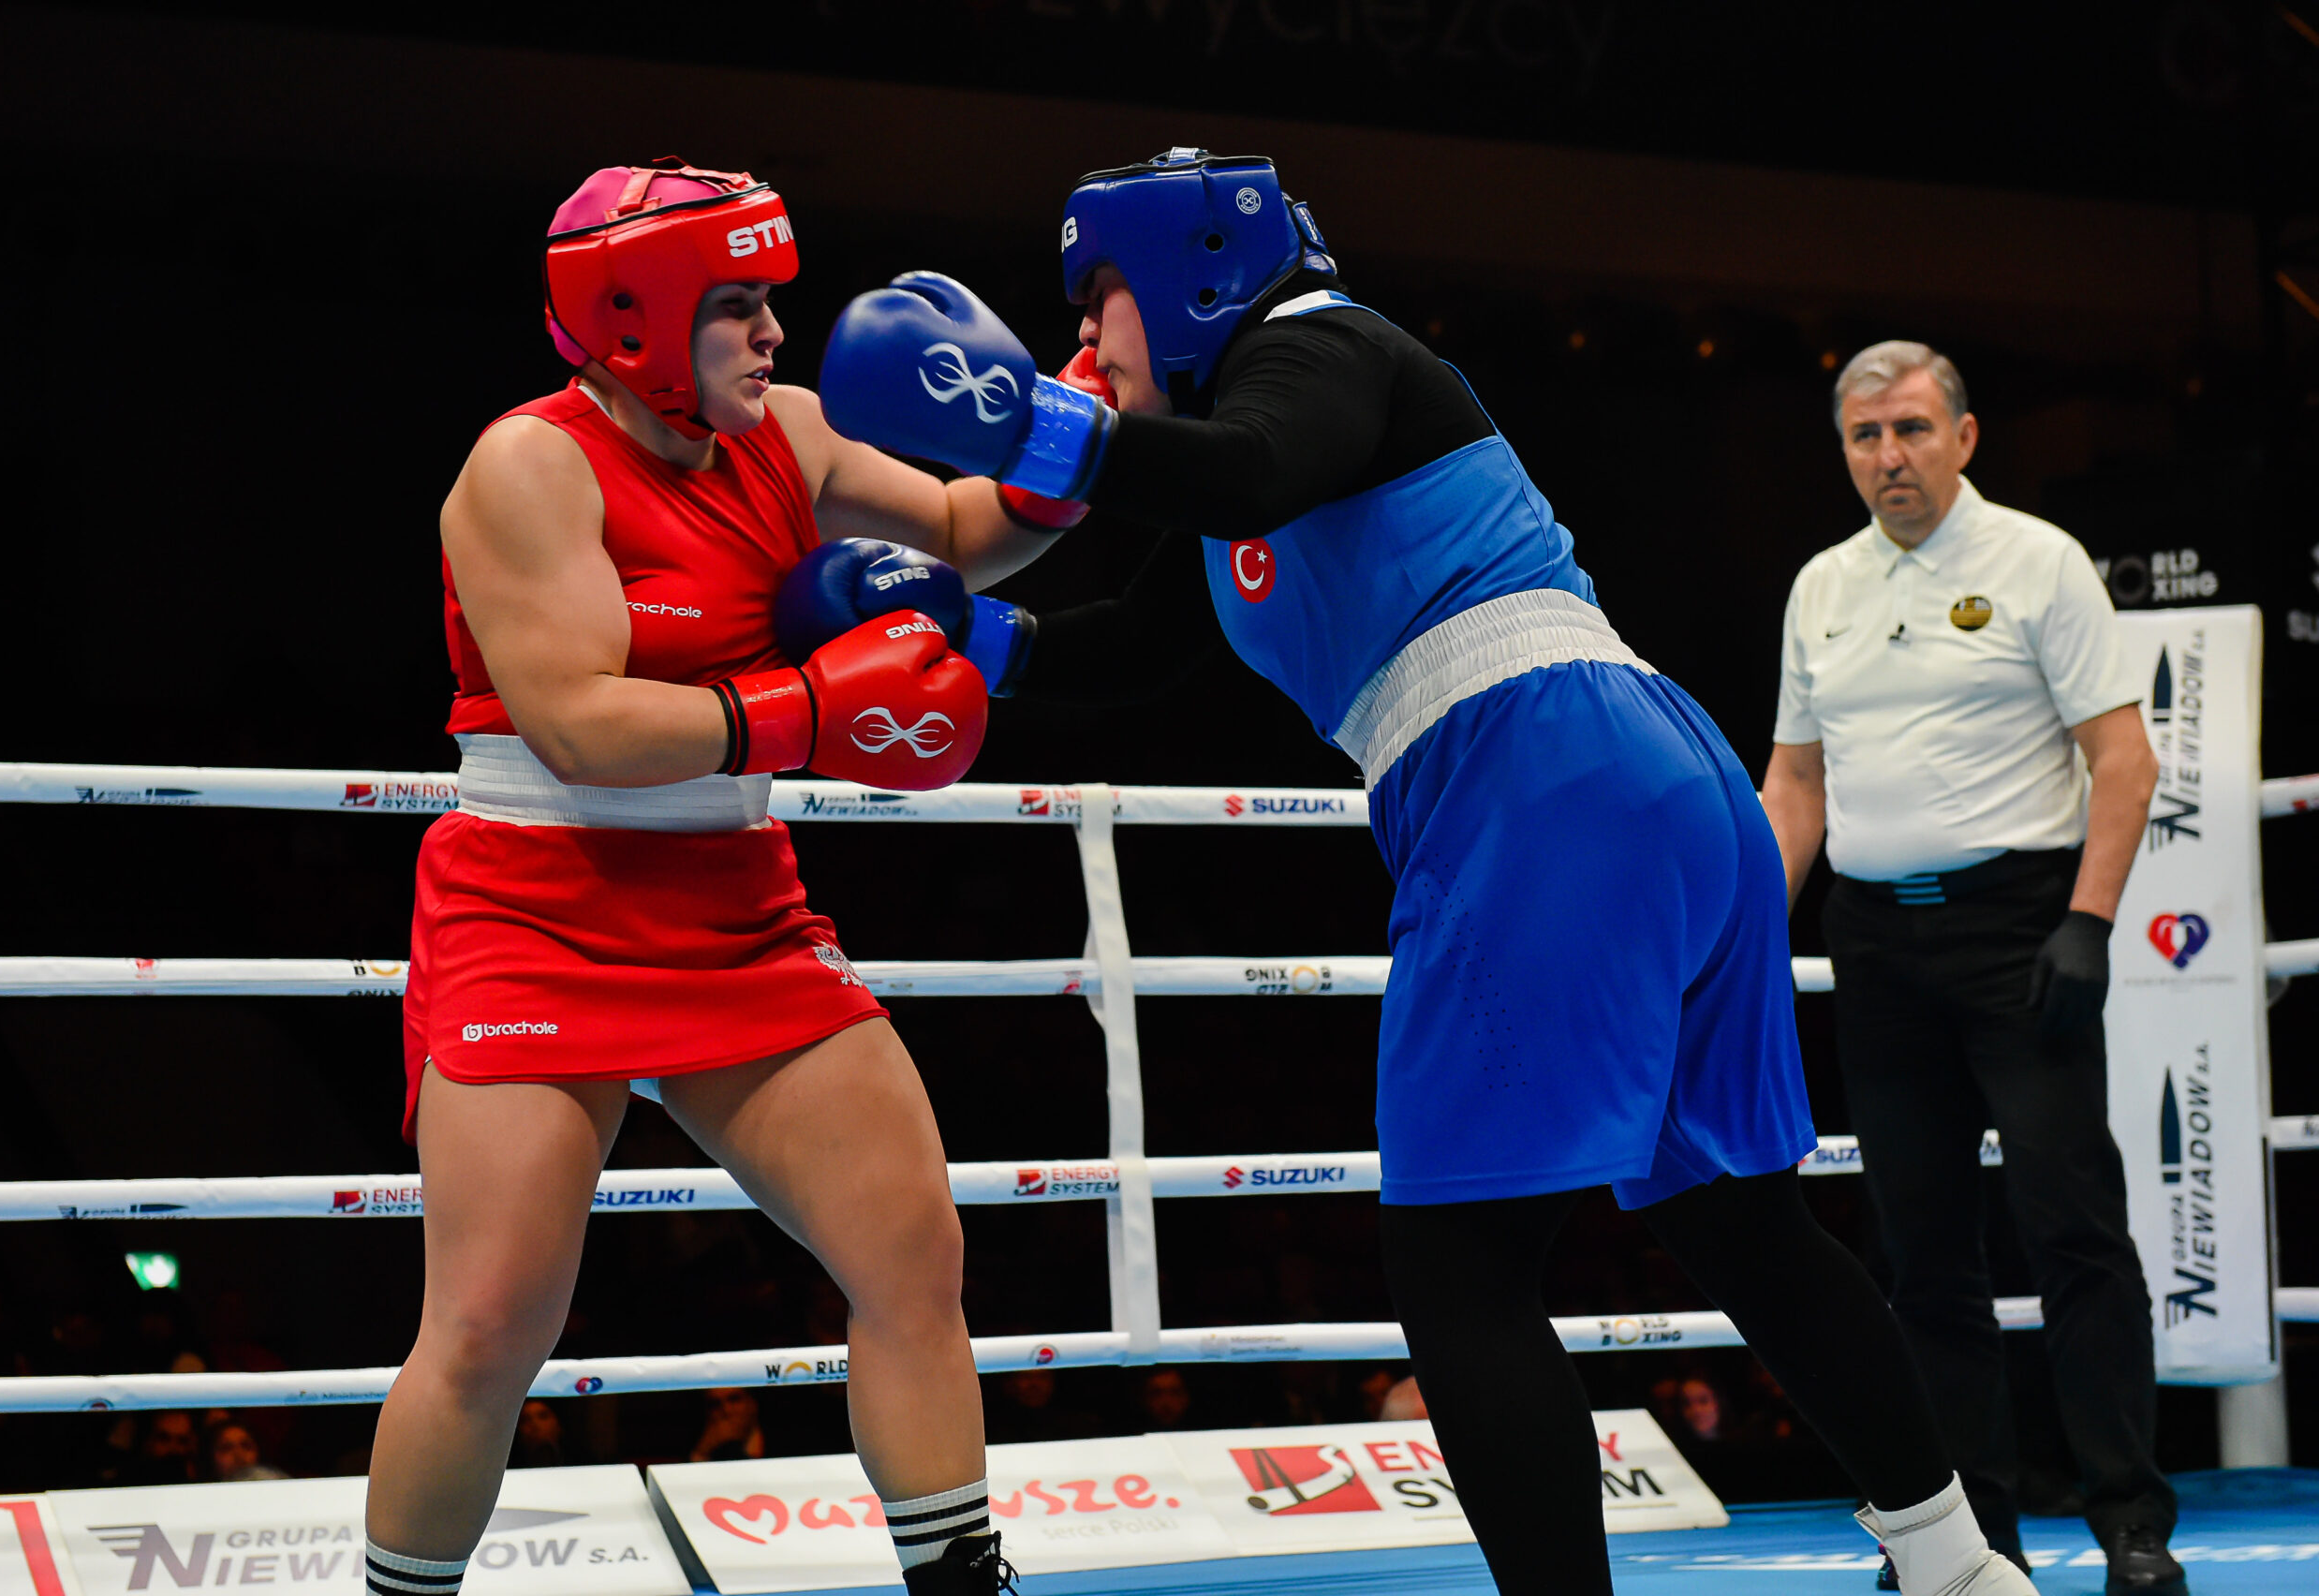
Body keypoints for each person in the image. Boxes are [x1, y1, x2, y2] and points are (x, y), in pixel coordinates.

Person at [814, 148, 2036, 1596]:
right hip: (1638, 778)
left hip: (1540, 783)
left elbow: (1248, 469)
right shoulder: (1253, 457)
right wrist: (960, 639)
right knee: (1737, 1219)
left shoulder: (1318, 346)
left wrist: (1028, 419)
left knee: (1461, 1272)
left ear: (1197, 271)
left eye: (1101, 298)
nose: (1085, 336)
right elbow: (1144, 645)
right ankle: (1960, 1570)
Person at [366, 158, 1084, 1596]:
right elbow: (577, 724)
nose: (772, 333)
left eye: (769, 302)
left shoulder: (791, 436)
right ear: (635, 316)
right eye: (738, 305)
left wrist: (1076, 425)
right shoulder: (530, 467)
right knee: (491, 1325)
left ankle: (962, 1584)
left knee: (911, 1258)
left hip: (736, 901)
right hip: (536, 902)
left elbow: (965, 534)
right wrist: (811, 712)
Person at [1761, 342, 2179, 1594]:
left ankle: (2132, 1524)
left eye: (1910, 429)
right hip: (1876, 944)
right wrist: (1741, 941)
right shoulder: (1821, 585)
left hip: (2020, 931)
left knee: (2074, 1231)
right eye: (1866, 436)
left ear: (1964, 435)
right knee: (1921, 1258)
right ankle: (1966, 1545)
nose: (1889, 456)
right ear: (1844, 451)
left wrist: (2089, 922)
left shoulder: (2038, 560)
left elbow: (2123, 757)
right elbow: (1796, 784)